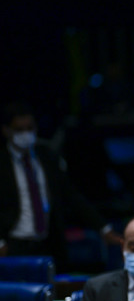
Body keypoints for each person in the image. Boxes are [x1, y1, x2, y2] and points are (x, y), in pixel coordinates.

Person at [0, 101, 121, 272]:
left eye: (30, 128)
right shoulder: (1, 163)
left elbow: (72, 196)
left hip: (48, 243)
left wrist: (103, 228)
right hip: (13, 244)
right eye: (19, 129)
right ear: (6, 130)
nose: (26, 134)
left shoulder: (47, 156)